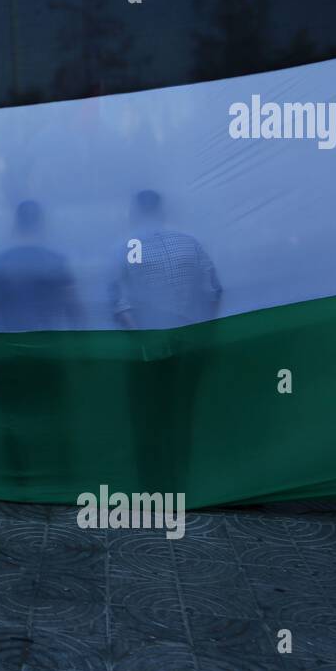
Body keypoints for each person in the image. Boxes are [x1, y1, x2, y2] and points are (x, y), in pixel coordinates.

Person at [109, 190, 222, 492]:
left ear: (134, 212)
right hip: (189, 340)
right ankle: (181, 481)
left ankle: (151, 484)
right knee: (182, 410)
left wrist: (142, 338)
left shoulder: (127, 248)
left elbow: (120, 306)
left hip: (148, 343)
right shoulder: (191, 244)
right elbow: (213, 291)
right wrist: (203, 332)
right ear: (163, 210)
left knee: (146, 413)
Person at [0, 200, 84, 483]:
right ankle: (58, 473)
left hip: (8, 353)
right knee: (52, 413)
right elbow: (75, 310)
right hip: (48, 352)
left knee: (10, 417)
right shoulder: (56, 262)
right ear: (41, 224)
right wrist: (85, 351)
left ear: (15, 224)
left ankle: (18, 476)